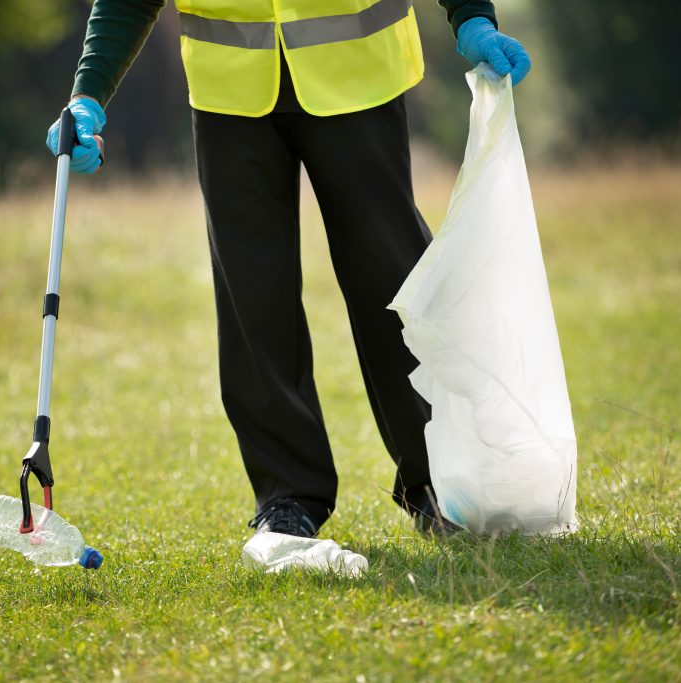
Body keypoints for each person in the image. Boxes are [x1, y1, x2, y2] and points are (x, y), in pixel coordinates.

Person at [47, 0, 531, 538]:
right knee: (253, 296)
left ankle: (440, 480)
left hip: (357, 77)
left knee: (392, 280)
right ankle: (287, 497)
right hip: (229, 93)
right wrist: (87, 93)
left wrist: (470, 16)